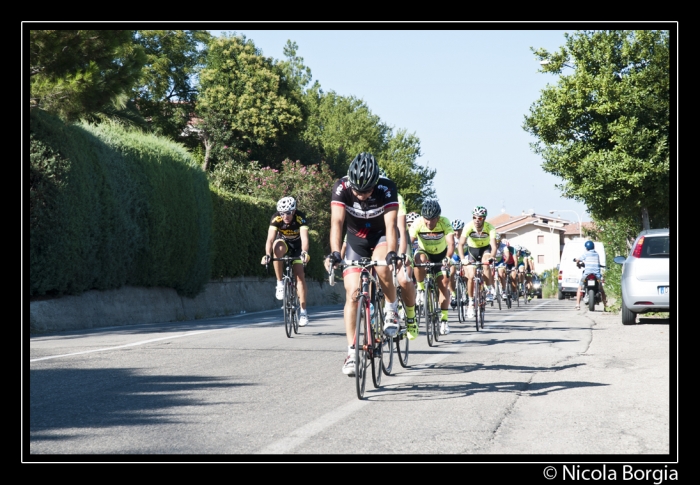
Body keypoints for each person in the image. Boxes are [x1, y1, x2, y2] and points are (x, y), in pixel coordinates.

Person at [327, 152, 401, 376]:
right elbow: (337, 223)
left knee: (381, 267)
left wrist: (391, 253)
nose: (361, 195)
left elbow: (391, 225)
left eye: (366, 190)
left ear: (376, 183)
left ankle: (391, 308)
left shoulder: (387, 188)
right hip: (356, 240)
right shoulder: (341, 187)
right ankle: (352, 352)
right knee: (352, 293)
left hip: (380, 236)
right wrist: (334, 253)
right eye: (357, 190)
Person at [261, 196, 310, 326]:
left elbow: (305, 239)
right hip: (284, 244)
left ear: (294, 211)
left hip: (298, 246)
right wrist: (267, 254)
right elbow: (270, 239)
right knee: (277, 246)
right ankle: (280, 283)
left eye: (288, 213)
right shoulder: (276, 218)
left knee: (299, 277)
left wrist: (304, 252)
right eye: (282, 213)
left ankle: (303, 312)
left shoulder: (300, 218)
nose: (285, 216)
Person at [409, 198, 454, 335]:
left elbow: (451, 244)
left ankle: (444, 321)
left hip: (441, 256)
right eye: (426, 219)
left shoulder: (444, 222)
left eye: (433, 219)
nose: (429, 222)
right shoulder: (417, 223)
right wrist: (406, 256)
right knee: (418, 258)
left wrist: (448, 258)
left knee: (444, 284)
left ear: (438, 217)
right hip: (425, 253)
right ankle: (421, 289)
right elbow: (409, 243)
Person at [457, 206, 498, 319]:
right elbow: (460, 244)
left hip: (485, 249)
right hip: (472, 251)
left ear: (484, 219)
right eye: (474, 217)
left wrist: (492, 257)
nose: (476, 220)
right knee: (470, 276)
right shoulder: (468, 226)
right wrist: (462, 258)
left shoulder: (490, 228)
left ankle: (489, 288)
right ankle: (470, 303)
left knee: (486, 262)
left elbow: (494, 246)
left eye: (479, 218)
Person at [574, 240, 607, 310]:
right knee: (601, 289)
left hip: (586, 275)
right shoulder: (597, 254)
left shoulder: (586, 254)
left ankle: (577, 304)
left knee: (580, 287)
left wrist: (577, 262)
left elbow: (578, 259)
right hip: (597, 276)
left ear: (586, 248)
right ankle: (605, 305)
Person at [449, 219, 465, 308]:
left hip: (465, 256)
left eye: (459, 230)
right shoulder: (450, 237)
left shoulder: (466, 236)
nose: (456, 232)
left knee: (468, 273)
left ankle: (467, 292)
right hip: (454, 257)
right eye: (454, 230)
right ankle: (453, 294)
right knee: (451, 273)